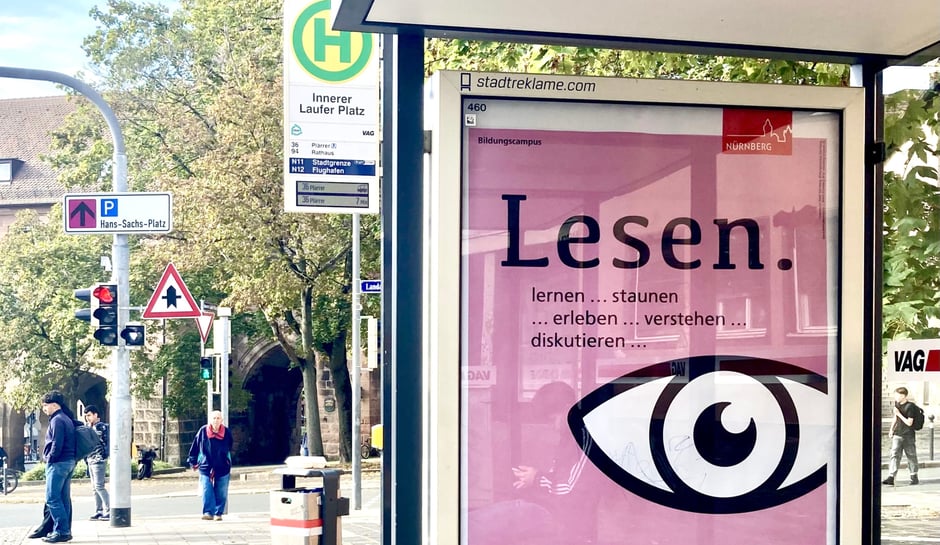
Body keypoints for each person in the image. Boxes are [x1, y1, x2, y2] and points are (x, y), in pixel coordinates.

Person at [468, 382, 600, 545]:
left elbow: (571, 489)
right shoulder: (570, 438)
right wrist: (532, 480)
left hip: (561, 518)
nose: (554, 427)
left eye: (553, 419)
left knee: (473, 526)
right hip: (549, 509)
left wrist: (536, 478)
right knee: (473, 521)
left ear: (568, 408)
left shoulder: (586, 437)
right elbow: (560, 480)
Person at [39, 391, 77, 543]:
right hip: (68, 461)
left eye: (45, 405)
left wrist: (50, 458)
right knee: (63, 498)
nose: (44, 409)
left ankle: (61, 531)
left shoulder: (57, 420)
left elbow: (57, 443)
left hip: (58, 463)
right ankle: (65, 531)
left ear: (54, 405)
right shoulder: (66, 418)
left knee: (52, 498)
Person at [186, 410, 233, 521]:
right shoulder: (203, 431)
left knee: (221, 491)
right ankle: (208, 512)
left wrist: (226, 459)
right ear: (210, 420)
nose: (216, 420)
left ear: (222, 420)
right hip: (205, 465)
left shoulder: (227, 432)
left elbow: (230, 446)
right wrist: (193, 461)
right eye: (214, 418)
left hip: (222, 466)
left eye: (218, 418)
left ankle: (218, 513)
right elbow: (195, 447)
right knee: (207, 489)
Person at [883, 386, 920, 486]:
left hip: (908, 435)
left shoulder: (910, 407)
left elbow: (909, 423)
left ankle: (914, 476)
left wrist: (899, 414)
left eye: (897, 395)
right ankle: (891, 477)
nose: (895, 397)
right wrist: (891, 429)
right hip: (897, 434)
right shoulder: (897, 404)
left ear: (903, 396)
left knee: (911, 455)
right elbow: (895, 418)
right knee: (894, 454)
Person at [82, 405, 111, 521]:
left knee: (99, 486)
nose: (87, 418)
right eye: (86, 416)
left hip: (98, 459)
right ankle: (99, 510)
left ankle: (109, 510)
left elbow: (96, 441)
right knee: (95, 487)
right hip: (90, 459)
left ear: (95, 415)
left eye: (89, 415)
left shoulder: (100, 427)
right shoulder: (90, 427)